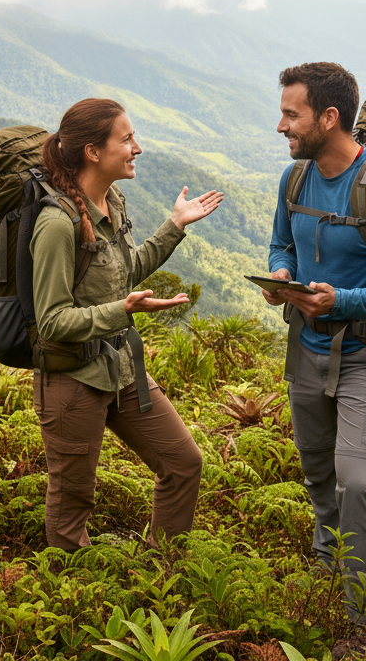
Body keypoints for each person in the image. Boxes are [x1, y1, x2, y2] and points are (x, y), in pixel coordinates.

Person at [262, 63, 366, 650]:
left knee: (357, 481)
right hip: (304, 351)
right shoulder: (294, 180)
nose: (281, 124)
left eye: (292, 114)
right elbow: (282, 242)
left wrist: (340, 301)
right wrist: (282, 273)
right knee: (318, 473)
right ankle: (328, 560)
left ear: (328, 118)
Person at [32, 97, 223, 551]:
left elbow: (125, 274)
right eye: (127, 139)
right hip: (72, 377)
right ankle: (68, 598)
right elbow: (52, 321)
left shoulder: (111, 202)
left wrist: (175, 225)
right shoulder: (57, 224)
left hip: (121, 367)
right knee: (73, 499)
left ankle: (161, 572)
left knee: (182, 462)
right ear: (93, 152)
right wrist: (124, 311)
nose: (137, 147)